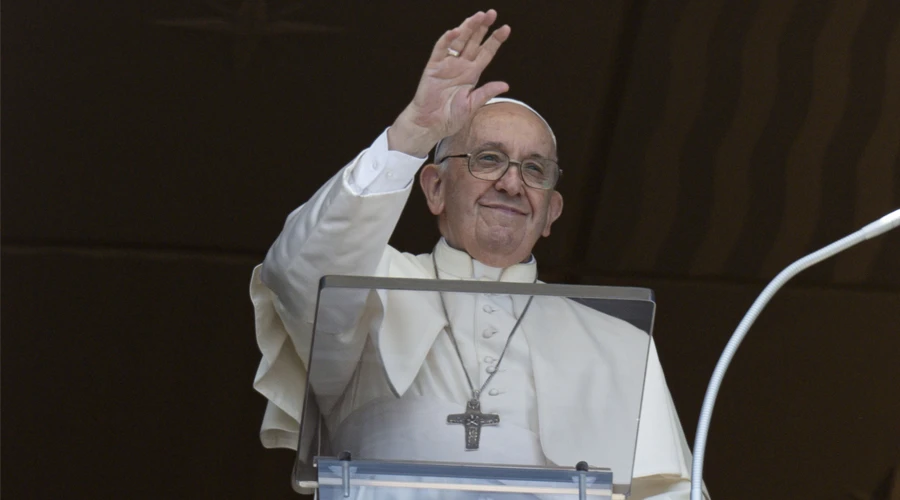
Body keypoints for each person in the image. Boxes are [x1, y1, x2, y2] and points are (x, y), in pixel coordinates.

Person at [250, 10, 707, 499]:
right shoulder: (369, 285)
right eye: (488, 159)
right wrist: (413, 132)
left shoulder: (617, 345)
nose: (512, 183)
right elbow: (297, 274)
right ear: (435, 188)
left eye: (534, 169)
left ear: (551, 213)